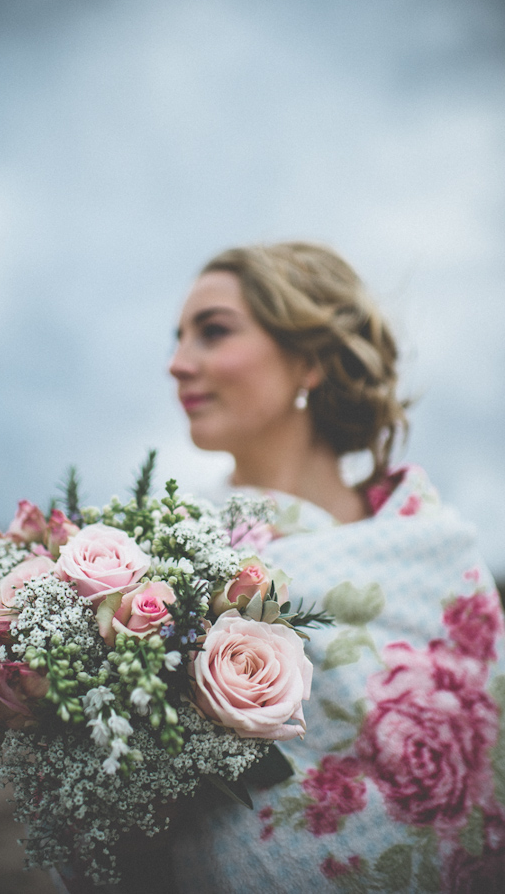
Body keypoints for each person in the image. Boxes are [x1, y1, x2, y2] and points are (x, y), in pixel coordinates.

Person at [167, 241, 505, 893]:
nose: (178, 363)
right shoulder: (163, 562)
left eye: (212, 331)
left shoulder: (440, 556)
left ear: (310, 358)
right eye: (178, 339)